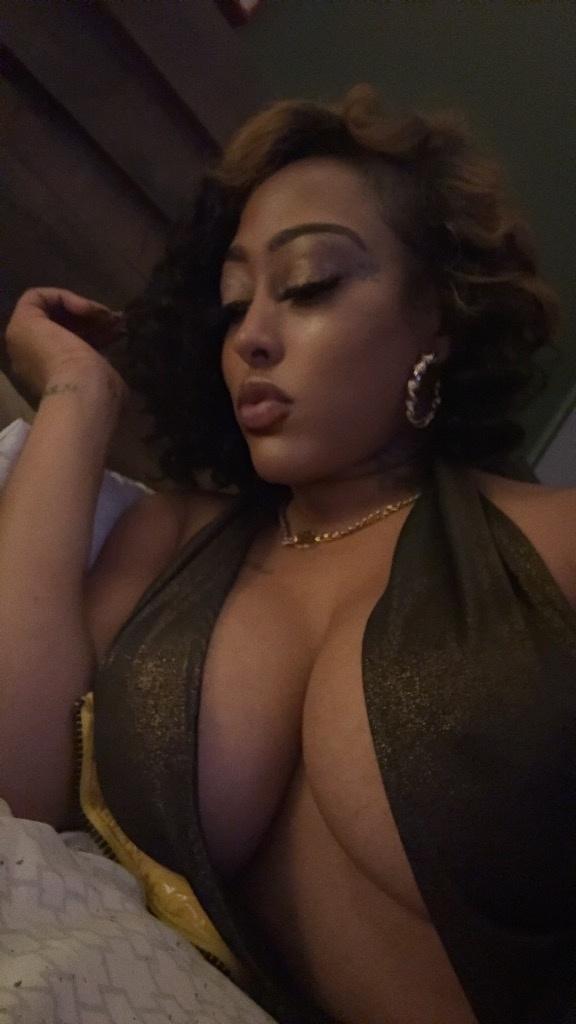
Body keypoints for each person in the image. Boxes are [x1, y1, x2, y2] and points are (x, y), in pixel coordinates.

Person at [1, 82, 576, 1024]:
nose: (253, 339)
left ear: (438, 315)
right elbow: (12, 790)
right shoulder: (176, 535)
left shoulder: (554, 548)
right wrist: (75, 394)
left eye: (309, 284)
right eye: (234, 306)